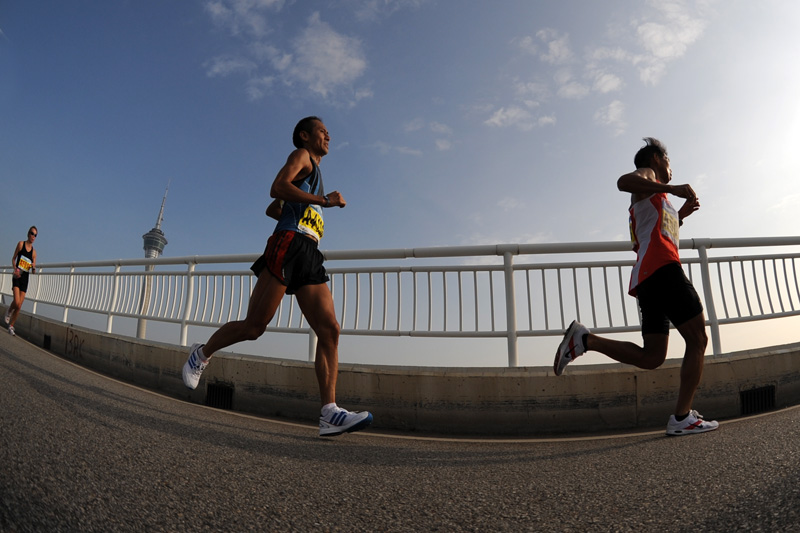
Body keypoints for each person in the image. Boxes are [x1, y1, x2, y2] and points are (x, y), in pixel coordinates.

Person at [181, 116, 373, 437]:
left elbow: (275, 206)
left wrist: (298, 203)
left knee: (329, 330)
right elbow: (277, 188)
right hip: (288, 243)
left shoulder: (315, 171)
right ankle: (201, 354)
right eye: (322, 131)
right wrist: (324, 201)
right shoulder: (302, 157)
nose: (329, 135)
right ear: (305, 136)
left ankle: (329, 412)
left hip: (309, 251)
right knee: (254, 327)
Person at [554, 138, 719, 436]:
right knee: (698, 339)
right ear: (657, 158)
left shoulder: (655, 196)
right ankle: (682, 418)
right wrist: (671, 188)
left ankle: (586, 340)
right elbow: (621, 182)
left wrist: (681, 214)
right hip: (663, 270)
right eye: (668, 161)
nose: (670, 169)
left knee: (652, 357)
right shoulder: (647, 175)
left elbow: (657, 232)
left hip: (648, 277)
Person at [5, 226, 38, 336]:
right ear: (28, 234)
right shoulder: (20, 244)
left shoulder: (34, 253)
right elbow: (13, 259)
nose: (33, 236)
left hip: (25, 278)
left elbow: (33, 271)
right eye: (32, 234)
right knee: (17, 301)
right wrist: (15, 269)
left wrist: (33, 267)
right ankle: (9, 310)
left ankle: (11, 326)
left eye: (35, 235)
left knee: (19, 306)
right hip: (17, 276)